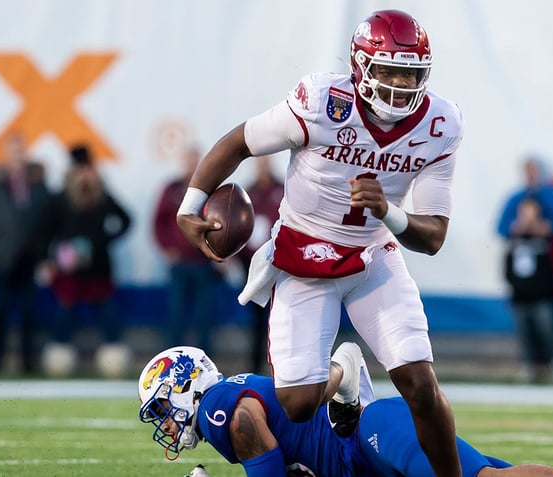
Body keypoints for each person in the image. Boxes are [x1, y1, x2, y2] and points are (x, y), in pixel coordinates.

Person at [176, 10, 463, 475]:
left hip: (372, 254)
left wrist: (388, 212)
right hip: (303, 256)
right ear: (360, 66)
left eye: (410, 73)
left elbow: (432, 237)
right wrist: (190, 205)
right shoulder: (321, 101)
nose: (399, 83)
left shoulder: (439, 126)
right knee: (298, 403)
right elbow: (240, 142)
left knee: (419, 384)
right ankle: (344, 371)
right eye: (388, 69)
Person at [137, 345, 553, 477]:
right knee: (500, 475)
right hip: (363, 454)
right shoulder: (227, 404)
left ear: (187, 387)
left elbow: (259, 442)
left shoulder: (220, 410)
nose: (165, 424)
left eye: (163, 408)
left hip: (369, 439)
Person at [37, 144, 132, 373]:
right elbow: (44, 231)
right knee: (65, 315)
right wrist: (48, 259)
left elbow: (126, 219)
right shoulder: (60, 198)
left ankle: (114, 360)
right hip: (69, 271)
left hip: (99, 269)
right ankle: (59, 359)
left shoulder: (102, 197)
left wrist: (105, 240)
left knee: (108, 314)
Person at [0, 132, 51, 373]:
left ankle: (27, 361)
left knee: (28, 309)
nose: (16, 155)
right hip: (4, 255)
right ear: (5, 154)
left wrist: (42, 247)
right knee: (0, 309)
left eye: (19, 150)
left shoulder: (36, 181)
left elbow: (47, 215)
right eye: (11, 150)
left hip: (29, 254)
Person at [153, 145, 222, 353]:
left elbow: (220, 223)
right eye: (189, 161)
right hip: (181, 262)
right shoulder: (172, 189)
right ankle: (173, 356)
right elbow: (158, 222)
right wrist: (167, 248)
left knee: (204, 313)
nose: (192, 166)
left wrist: (220, 251)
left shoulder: (211, 190)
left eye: (196, 162)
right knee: (177, 313)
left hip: (203, 261)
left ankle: (205, 360)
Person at [503, 198, 553, 382]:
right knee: (524, 333)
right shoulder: (514, 239)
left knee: (548, 330)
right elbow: (508, 265)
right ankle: (528, 365)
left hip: (542, 295)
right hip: (520, 295)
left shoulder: (546, 238)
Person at [237, 155, 284, 373]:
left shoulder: (283, 189)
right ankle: (255, 367)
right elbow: (238, 225)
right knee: (257, 320)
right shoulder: (248, 192)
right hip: (254, 264)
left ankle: (281, 367)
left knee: (282, 318)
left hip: (282, 263)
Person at [496, 156, 553, 239]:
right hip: (520, 243)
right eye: (527, 171)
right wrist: (516, 227)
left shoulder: (552, 197)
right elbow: (501, 227)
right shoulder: (515, 198)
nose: (530, 174)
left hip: (547, 245)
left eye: (533, 170)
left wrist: (548, 227)